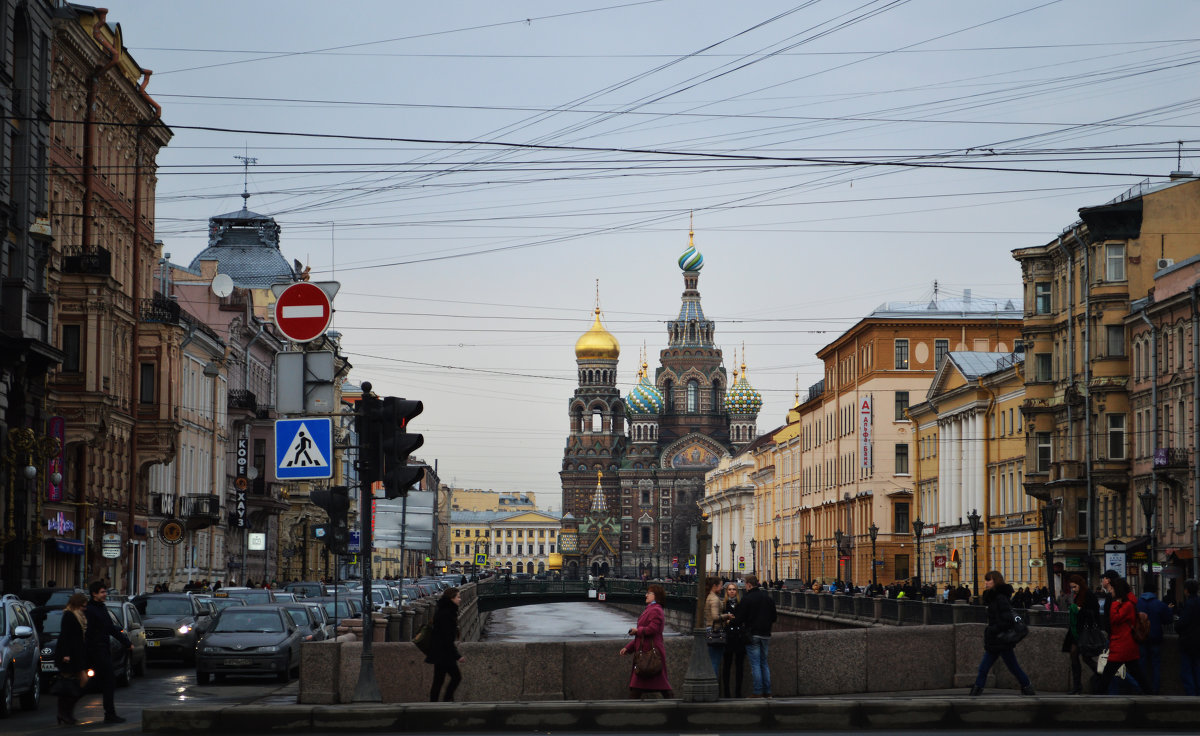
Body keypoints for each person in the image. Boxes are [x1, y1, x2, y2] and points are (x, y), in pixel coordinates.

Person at [969, 570, 1035, 696]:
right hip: (997, 640)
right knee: (1005, 667)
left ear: (995, 581)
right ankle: (1027, 686)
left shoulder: (1000, 598)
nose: (986, 583)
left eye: (988, 580)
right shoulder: (994, 597)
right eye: (986, 580)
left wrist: (993, 629)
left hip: (1001, 639)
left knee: (1001, 667)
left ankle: (976, 691)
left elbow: (1006, 620)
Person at [84, 580, 132, 723]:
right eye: (102, 592)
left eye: (105, 591)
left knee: (104, 682)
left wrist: (126, 642)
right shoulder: (90, 610)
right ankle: (109, 714)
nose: (105, 594)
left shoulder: (101, 608)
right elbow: (90, 632)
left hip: (102, 649)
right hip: (95, 650)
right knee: (102, 681)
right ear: (94, 594)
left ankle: (109, 713)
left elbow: (110, 628)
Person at [1094, 569, 1148, 695]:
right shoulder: (1127, 602)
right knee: (1135, 672)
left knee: (1109, 673)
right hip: (1123, 644)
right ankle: (1147, 692)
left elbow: (1114, 619)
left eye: (1112, 589)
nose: (1110, 591)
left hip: (1122, 644)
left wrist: (1115, 604)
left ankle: (1100, 696)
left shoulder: (1125, 604)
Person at [619, 584, 671, 698]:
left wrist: (637, 630)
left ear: (656, 596)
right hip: (646, 651)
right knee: (659, 684)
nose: (646, 595)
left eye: (649, 593)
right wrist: (628, 648)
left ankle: (628, 712)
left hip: (650, 652)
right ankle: (675, 707)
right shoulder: (650, 609)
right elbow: (641, 635)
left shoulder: (656, 610)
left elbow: (653, 629)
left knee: (640, 685)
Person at [732, 574, 776, 698]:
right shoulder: (768, 598)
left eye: (745, 585)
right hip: (766, 634)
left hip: (752, 635)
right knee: (764, 663)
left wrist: (730, 621)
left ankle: (758, 692)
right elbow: (774, 617)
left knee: (755, 664)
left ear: (749, 585)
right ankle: (767, 692)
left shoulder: (747, 599)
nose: (745, 587)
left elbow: (738, 618)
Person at [1062, 574, 1101, 694]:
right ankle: (1077, 686)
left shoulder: (1089, 595)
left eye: (1074, 587)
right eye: (1072, 588)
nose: (1073, 590)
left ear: (1080, 585)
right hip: (1076, 631)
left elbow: (1095, 612)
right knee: (1074, 654)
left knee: (1086, 657)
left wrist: (1080, 610)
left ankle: (1103, 677)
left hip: (1085, 630)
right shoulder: (1078, 595)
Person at [54, 593, 88, 724]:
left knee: (77, 684)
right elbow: (65, 636)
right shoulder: (69, 615)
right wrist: (66, 654)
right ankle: (64, 712)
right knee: (69, 684)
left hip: (77, 654)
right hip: (68, 656)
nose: (84, 608)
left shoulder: (80, 616)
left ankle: (65, 712)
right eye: (83, 606)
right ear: (77, 604)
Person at [426, 587, 465, 702]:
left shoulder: (443, 610)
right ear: (451, 598)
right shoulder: (447, 614)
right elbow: (447, 638)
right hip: (444, 654)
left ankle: (435, 704)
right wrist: (457, 656)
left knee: (438, 680)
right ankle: (447, 700)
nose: (460, 599)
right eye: (458, 597)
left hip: (439, 652)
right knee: (456, 677)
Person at [1137, 586, 1173, 694]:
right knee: (1156, 664)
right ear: (1155, 592)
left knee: (1141, 664)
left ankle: (1141, 689)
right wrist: (1169, 610)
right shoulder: (1160, 604)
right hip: (1156, 638)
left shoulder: (1137, 604)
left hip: (1141, 638)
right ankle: (1155, 689)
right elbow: (1168, 620)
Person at [720, 581, 746, 698]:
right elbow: (721, 620)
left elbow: (742, 619)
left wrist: (731, 620)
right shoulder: (723, 605)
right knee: (727, 665)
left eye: (734, 589)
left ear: (737, 592)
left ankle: (738, 692)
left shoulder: (741, 604)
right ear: (726, 592)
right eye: (730, 590)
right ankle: (726, 692)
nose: (732, 591)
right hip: (728, 638)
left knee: (740, 666)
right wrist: (729, 621)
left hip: (739, 637)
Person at [1176, 579, 1200, 695]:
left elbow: (1182, 623)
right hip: (1197, 642)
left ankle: (1191, 695)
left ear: (1186, 591)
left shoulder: (1189, 604)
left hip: (1188, 642)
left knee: (1186, 671)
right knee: (1197, 669)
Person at [703, 576, 724, 678]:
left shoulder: (709, 597)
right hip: (715, 631)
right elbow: (715, 616)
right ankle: (714, 686)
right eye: (721, 585)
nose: (722, 587)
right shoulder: (714, 599)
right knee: (715, 661)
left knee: (712, 660)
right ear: (715, 586)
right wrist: (727, 616)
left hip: (709, 629)